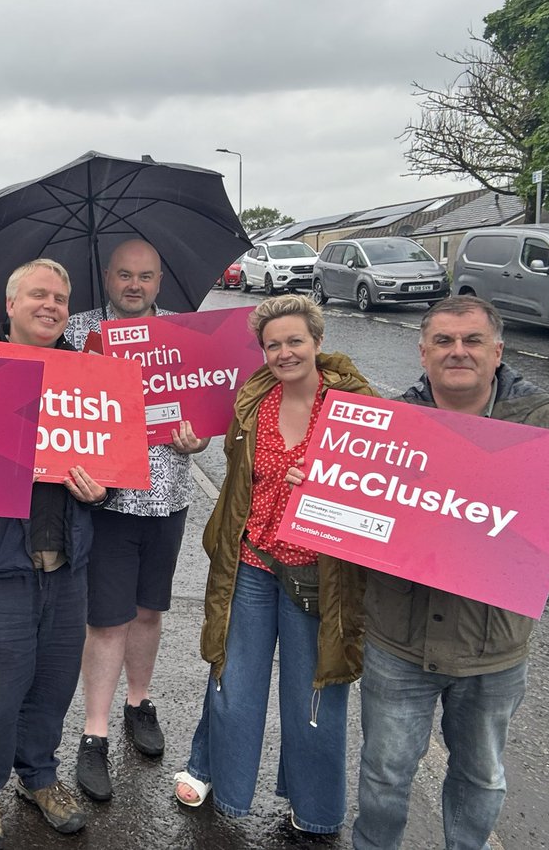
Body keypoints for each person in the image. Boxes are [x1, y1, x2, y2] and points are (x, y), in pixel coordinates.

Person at [351, 295, 549, 850]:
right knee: (384, 777)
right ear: (424, 352)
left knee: (481, 778)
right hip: (399, 642)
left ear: (498, 350)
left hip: (493, 647)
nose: (458, 351)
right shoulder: (390, 424)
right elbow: (358, 530)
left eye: (472, 340)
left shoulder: (547, 424)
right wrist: (323, 498)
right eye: (444, 341)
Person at [173, 294, 373, 836]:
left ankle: (315, 812)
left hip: (320, 574)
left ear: (318, 343)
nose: (284, 353)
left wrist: (330, 481)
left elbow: (385, 494)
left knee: (313, 694)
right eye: (273, 345)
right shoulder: (254, 401)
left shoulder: (360, 409)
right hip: (252, 561)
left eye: (295, 341)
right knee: (232, 677)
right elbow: (238, 476)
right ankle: (219, 780)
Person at [0, 258, 109, 850]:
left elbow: (110, 457)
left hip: (66, 565)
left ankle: (38, 778)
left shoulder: (90, 375)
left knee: (52, 686)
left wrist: (105, 486)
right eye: (38, 294)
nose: (51, 306)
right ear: (9, 305)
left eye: (61, 298)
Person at [62, 239, 209, 801]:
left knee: (149, 611)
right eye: (124, 274)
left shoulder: (181, 332)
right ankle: (93, 733)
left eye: (145, 276)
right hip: (106, 501)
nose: (134, 285)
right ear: (106, 276)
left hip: (168, 497)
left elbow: (202, 406)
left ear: (160, 279)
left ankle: (138, 703)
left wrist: (199, 439)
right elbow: (59, 406)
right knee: (106, 621)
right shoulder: (78, 333)